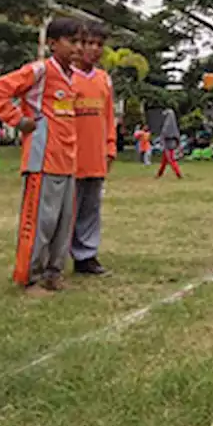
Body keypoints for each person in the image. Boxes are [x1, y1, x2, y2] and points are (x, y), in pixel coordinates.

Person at [0, 17, 84, 295]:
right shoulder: (40, 71)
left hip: (67, 160)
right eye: (72, 41)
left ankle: (54, 273)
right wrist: (17, 120)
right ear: (53, 44)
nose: (78, 48)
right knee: (41, 221)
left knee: (64, 223)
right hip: (43, 159)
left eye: (80, 42)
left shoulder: (72, 77)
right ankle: (28, 277)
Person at [71, 23, 117, 276]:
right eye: (89, 43)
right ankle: (53, 259)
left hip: (96, 155)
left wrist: (110, 146)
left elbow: (109, 117)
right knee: (66, 209)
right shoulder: (66, 76)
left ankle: (86, 256)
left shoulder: (103, 80)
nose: (94, 49)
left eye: (99, 45)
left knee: (91, 208)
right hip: (68, 157)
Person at [155, 109, 183, 179]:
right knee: (164, 161)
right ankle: (159, 174)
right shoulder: (173, 124)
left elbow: (164, 134)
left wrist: (162, 142)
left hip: (168, 144)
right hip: (170, 143)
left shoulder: (167, 125)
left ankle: (178, 173)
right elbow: (177, 136)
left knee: (171, 159)